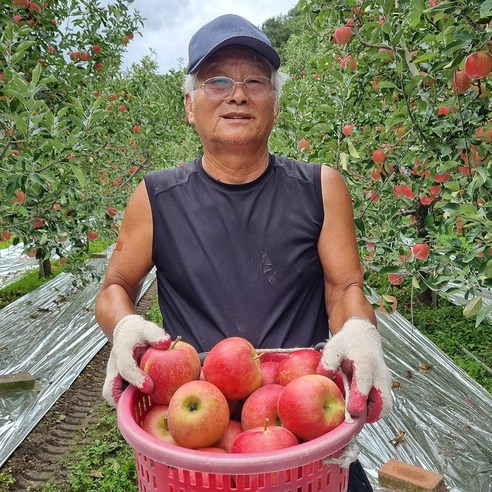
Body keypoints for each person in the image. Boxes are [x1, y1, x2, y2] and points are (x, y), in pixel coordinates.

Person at [95, 14, 393, 491]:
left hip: (301, 429)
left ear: (275, 106)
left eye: (255, 81)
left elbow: (344, 287)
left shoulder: (320, 188)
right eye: (216, 80)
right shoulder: (155, 198)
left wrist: (359, 331)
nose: (237, 94)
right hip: (198, 444)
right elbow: (116, 286)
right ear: (189, 106)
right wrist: (124, 325)